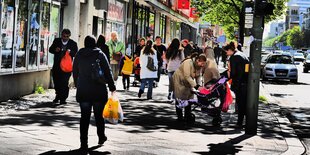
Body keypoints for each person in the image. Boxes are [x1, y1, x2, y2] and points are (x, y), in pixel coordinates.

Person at [72, 36, 116, 151]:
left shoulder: (79, 54)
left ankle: (83, 143)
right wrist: (112, 86)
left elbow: (75, 71)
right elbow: (107, 71)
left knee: (84, 117)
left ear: (85, 43)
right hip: (98, 90)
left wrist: (77, 84)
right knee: (98, 116)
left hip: (84, 90)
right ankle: (101, 137)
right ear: (95, 43)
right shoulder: (100, 54)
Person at [173, 53, 207, 122]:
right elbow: (187, 76)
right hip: (179, 80)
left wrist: (199, 87)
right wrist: (196, 86)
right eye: (202, 63)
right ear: (197, 60)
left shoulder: (199, 67)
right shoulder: (188, 62)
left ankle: (187, 115)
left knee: (189, 97)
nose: (203, 65)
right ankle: (180, 117)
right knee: (179, 98)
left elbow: (198, 76)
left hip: (188, 81)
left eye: (204, 64)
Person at [224, 41, 249, 128]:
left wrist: (224, 76)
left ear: (230, 50)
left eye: (226, 51)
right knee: (244, 103)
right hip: (245, 82)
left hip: (240, 84)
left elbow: (233, 73)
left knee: (240, 103)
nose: (226, 53)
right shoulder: (242, 55)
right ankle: (245, 122)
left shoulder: (234, 57)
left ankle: (239, 123)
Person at [49, 29, 78, 104]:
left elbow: (75, 54)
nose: (65, 38)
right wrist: (55, 49)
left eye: (67, 36)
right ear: (61, 35)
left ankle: (63, 98)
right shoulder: (57, 41)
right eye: (64, 36)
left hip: (66, 67)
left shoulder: (73, 43)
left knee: (64, 83)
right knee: (57, 82)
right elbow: (50, 49)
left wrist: (70, 52)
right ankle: (58, 95)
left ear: (69, 36)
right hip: (57, 66)